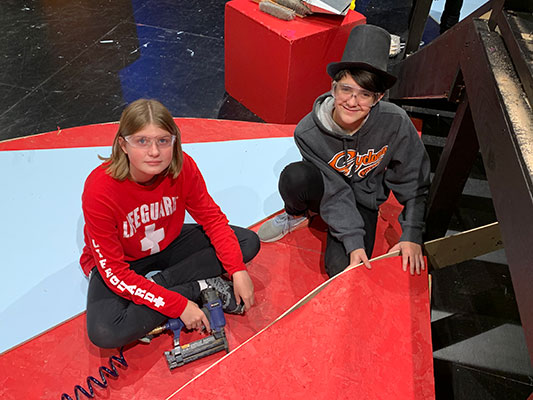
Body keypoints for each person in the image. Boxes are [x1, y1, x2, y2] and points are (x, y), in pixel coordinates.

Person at [80, 99, 260, 349]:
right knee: (105, 331)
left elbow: (212, 219)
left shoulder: (183, 166)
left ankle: (160, 287)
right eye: (142, 141)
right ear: (123, 144)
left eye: (163, 141)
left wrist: (237, 270)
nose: (154, 152)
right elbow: (113, 271)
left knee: (247, 242)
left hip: (169, 244)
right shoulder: (99, 189)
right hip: (123, 260)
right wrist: (179, 304)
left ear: (174, 142)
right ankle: (194, 288)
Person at [258, 24, 430, 278]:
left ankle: (341, 230)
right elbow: (334, 190)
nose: (351, 101)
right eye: (346, 89)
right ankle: (296, 215)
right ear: (333, 88)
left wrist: (412, 232)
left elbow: (414, 178)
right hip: (327, 192)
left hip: (365, 200)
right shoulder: (308, 132)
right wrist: (353, 238)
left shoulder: (396, 123)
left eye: (364, 94)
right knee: (295, 177)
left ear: (378, 98)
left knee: (340, 269)